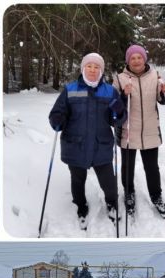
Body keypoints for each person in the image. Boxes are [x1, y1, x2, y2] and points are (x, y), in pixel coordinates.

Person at [48, 52, 126, 230]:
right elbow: (56, 114)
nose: (92, 70)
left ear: (101, 70)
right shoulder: (71, 89)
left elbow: (116, 121)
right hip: (75, 144)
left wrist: (120, 112)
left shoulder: (109, 91)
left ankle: (112, 203)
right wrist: (58, 119)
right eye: (89, 66)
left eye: (96, 67)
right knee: (77, 179)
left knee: (108, 181)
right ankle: (80, 207)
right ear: (83, 68)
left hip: (101, 145)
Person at [113, 45, 165, 217]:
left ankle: (156, 196)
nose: (136, 60)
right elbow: (114, 106)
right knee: (127, 168)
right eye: (132, 58)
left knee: (152, 168)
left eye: (139, 57)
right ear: (128, 61)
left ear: (144, 59)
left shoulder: (155, 76)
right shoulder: (119, 78)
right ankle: (129, 194)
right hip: (128, 131)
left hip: (150, 130)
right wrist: (124, 95)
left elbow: (163, 100)